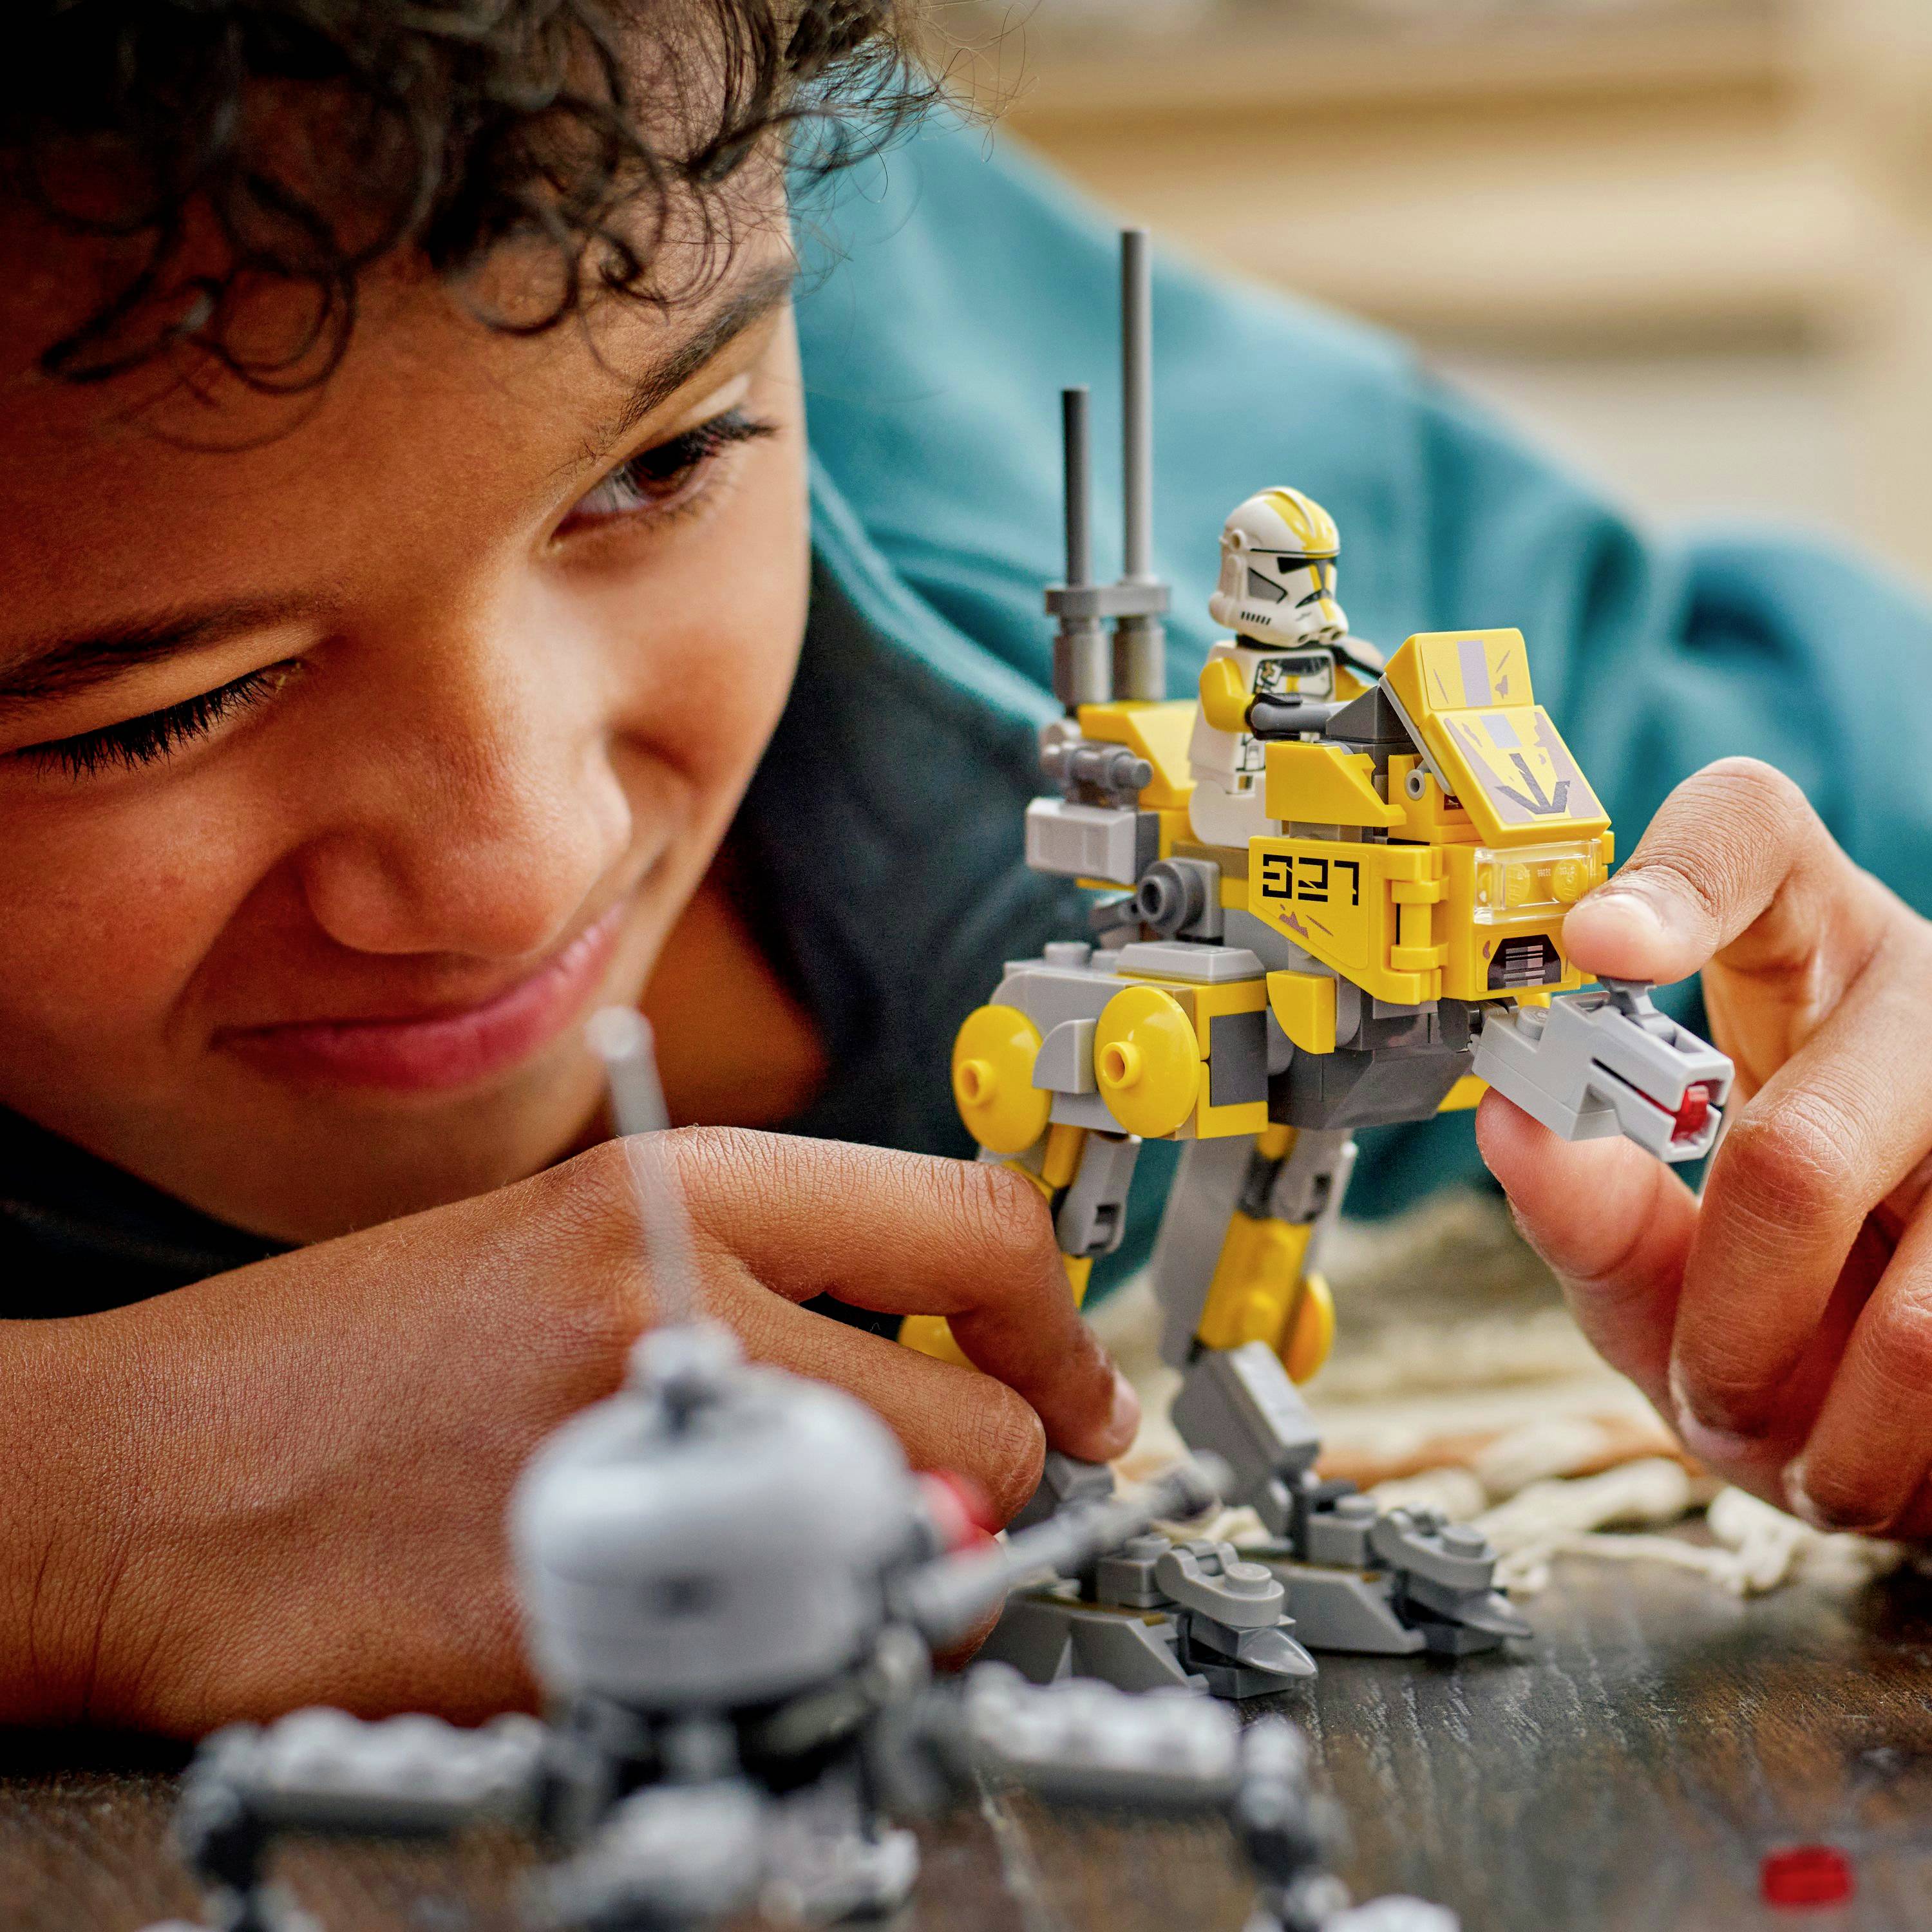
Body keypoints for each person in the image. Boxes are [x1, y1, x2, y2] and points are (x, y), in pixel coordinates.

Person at [1, 1, 1928, 1736]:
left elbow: (1819, 812)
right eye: (146, 715)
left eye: (662, 472)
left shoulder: (731, 187)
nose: (534, 870)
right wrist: (73, 1508)